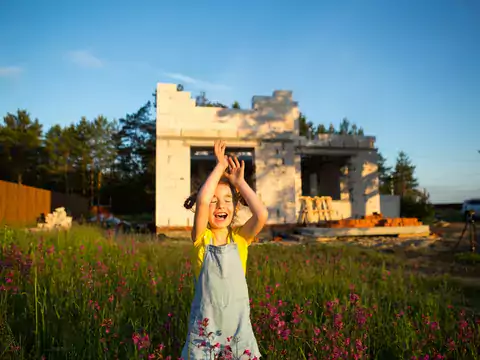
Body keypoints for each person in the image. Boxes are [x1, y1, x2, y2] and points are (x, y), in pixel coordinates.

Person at [181, 140, 268, 360]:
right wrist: (219, 167)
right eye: (214, 201)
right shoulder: (202, 237)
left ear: (236, 207)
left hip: (238, 326)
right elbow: (201, 200)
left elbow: (261, 215)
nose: (221, 206)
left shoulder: (240, 238)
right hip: (205, 326)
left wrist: (240, 183)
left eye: (228, 200)